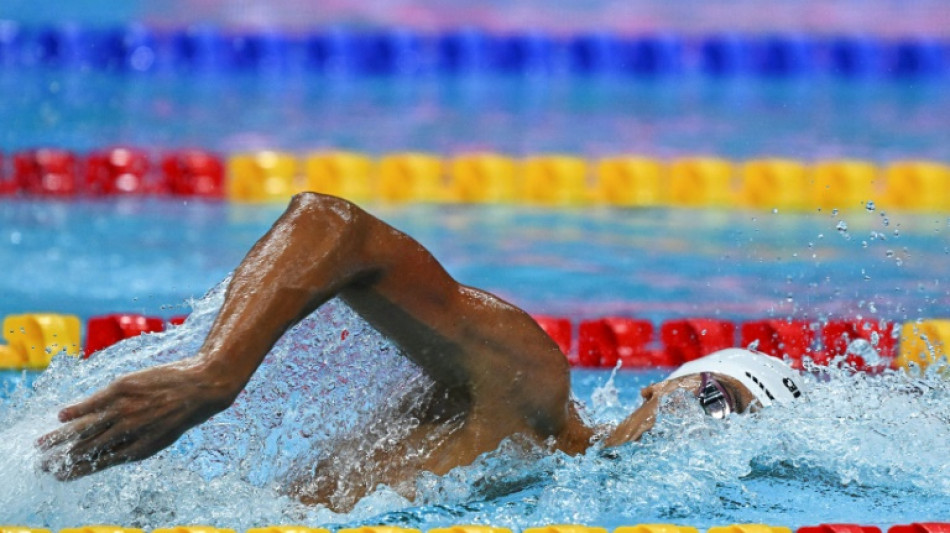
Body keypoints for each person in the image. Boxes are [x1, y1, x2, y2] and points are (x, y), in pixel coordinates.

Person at [37, 192, 804, 510]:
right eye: (715, 397)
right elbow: (332, 224)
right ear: (657, 387)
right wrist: (216, 373)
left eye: (740, 428)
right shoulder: (529, 384)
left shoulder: (564, 491)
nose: (710, 430)